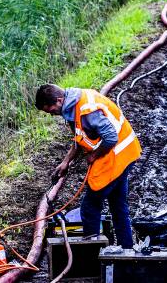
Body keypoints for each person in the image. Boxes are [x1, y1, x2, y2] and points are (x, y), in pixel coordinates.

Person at [35, 84, 141, 249]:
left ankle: (93, 257)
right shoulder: (75, 103)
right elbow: (80, 137)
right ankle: (126, 251)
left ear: (59, 100)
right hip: (126, 153)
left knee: (90, 207)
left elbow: (111, 138)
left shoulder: (87, 111)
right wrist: (66, 162)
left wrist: (93, 155)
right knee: (118, 206)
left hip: (117, 155)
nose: (52, 114)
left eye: (51, 110)